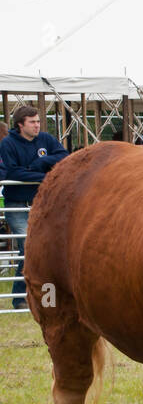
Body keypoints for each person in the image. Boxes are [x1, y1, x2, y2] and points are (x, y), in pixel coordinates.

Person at [0, 106, 70, 309]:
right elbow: (12, 173)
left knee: (48, 248)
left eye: (38, 121)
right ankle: (20, 297)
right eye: (32, 122)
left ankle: (46, 297)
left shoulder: (46, 140)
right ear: (20, 124)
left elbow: (64, 157)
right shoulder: (8, 144)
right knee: (28, 247)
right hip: (18, 205)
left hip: (45, 203)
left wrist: (40, 163)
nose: (37, 125)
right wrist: (46, 176)